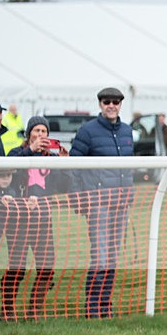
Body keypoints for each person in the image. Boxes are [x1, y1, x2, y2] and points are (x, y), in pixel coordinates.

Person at [70, 87, 135, 318]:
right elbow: (72, 167)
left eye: (116, 102)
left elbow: (129, 167)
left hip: (120, 204)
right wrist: (79, 200)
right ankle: (92, 308)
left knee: (113, 257)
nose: (111, 105)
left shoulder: (127, 131)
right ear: (100, 104)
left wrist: (130, 194)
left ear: (120, 104)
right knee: (100, 257)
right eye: (107, 101)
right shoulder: (87, 131)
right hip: (98, 204)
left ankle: (105, 305)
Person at [3, 116, 71, 320]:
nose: (41, 135)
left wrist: (64, 165)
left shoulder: (50, 157)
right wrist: (30, 150)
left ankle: (34, 309)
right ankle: (8, 309)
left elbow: (64, 187)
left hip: (43, 219)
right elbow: (9, 173)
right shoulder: (18, 152)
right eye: (37, 131)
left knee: (47, 265)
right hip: (19, 218)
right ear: (29, 133)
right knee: (17, 266)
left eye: (44, 132)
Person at [0, 168, 19, 323]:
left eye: (9, 175)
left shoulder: (10, 193)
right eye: (2, 175)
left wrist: (10, 199)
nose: (6, 179)